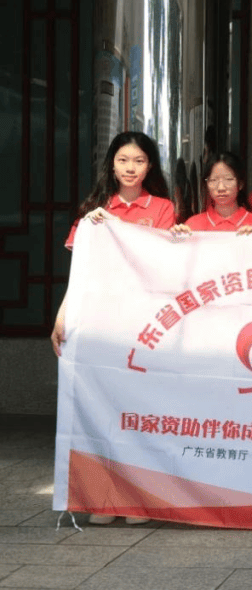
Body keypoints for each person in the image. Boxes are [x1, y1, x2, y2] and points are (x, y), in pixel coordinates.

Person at [51, 130, 177, 526]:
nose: (130, 168)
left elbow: (163, 265)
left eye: (138, 161)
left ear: (150, 166)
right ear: (111, 164)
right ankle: (102, 498)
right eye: (123, 160)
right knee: (100, 410)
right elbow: (80, 274)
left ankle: (135, 498)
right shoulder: (94, 211)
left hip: (141, 326)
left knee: (136, 412)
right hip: (99, 324)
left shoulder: (162, 209)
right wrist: (62, 314)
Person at [170, 152, 252, 236]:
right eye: (213, 180)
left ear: (240, 184)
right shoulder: (193, 225)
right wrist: (179, 241)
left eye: (228, 179)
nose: (221, 188)